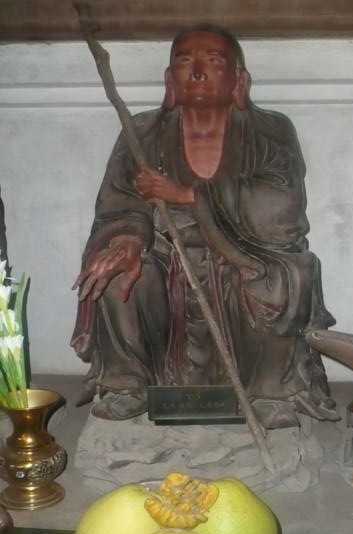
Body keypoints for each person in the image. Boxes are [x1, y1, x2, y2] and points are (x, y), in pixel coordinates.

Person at [71, 24, 338, 425]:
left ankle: (271, 392)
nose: (197, 72)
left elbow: (283, 207)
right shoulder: (140, 134)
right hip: (167, 257)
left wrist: (187, 195)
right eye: (185, 62)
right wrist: (127, 240)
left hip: (243, 254)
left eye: (213, 61)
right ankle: (127, 384)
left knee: (285, 276)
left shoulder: (271, 130)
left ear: (239, 81)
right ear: (169, 80)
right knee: (116, 275)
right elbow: (118, 203)